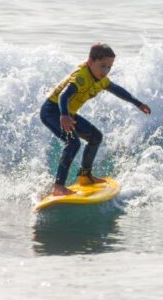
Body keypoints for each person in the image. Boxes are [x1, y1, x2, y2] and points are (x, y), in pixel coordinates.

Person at [40, 43, 151, 196]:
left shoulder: (101, 79)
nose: (105, 71)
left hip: (68, 113)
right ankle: (58, 187)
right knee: (73, 143)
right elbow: (63, 96)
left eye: (109, 67)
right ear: (91, 62)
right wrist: (64, 115)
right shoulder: (81, 77)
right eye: (102, 66)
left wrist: (138, 103)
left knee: (95, 137)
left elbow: (117, 90)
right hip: (52, 111)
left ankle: (85, 176)